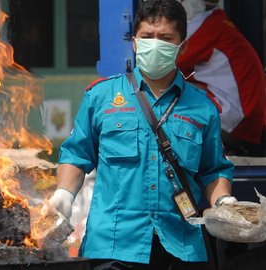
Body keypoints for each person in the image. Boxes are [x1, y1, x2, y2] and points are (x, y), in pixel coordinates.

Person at [46, 1, 235, 269]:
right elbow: (76, 155)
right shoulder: (101, 97)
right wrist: (64, 195)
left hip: (180, 247)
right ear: (134, 42)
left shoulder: (202, 108)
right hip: (114, 245)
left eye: (166, 38)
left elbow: (214, 169)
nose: (155, 44)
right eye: (147, 37)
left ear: (183, 46)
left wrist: (224, 203)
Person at [176, 0, 266, 156]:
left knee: (164, 87)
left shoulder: (204, 26)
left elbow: (167, 66)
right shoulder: (217, 24)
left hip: (236, 122)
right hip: (244, 122)